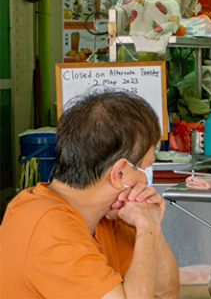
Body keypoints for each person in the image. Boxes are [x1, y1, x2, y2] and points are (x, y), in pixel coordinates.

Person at [0, 90, 179, 299]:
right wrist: (148, 226)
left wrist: (151, 229)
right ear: (119, 174)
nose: (146, 183)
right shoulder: (48, 224)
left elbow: (165, 293)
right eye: (145, 170)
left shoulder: (106, 216)